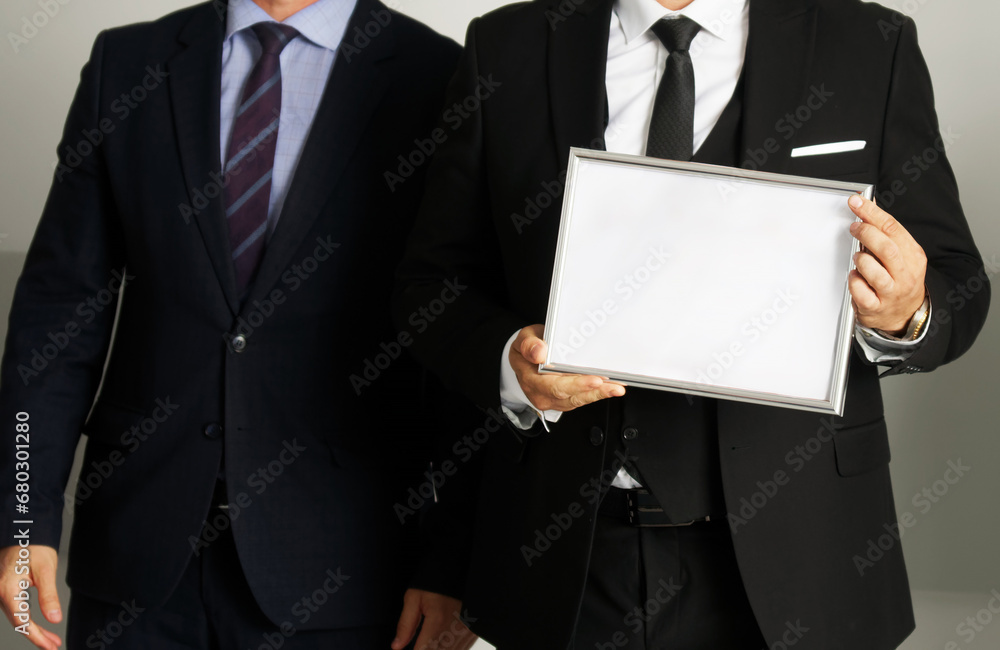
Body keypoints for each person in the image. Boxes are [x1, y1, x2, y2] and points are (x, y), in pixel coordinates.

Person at [392, 0, 990, 648]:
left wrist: (906, 312)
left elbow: (959, 283)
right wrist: (510, 360)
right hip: (567, 560)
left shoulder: (870, 42)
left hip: (804, 555)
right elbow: (434, 284)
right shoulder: (506, 44)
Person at [0, 0, 473, 648]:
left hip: (345, 572)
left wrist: (452, 561)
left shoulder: (439, 74)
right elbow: (57, 315)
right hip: (138, 566)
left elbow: (456, 330)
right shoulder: (128, 63)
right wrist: (24, 514)